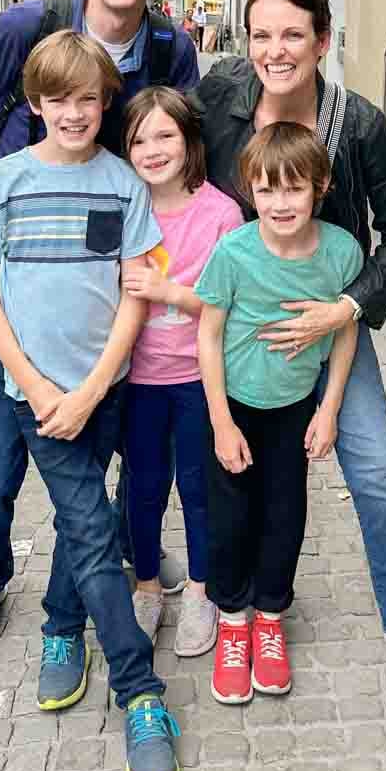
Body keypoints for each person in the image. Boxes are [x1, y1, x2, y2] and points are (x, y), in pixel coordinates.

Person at [193, 0, 386, 746]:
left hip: (332, 325)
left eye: (292, 35)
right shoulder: (221, 99)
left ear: (321, 40)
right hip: (239, 331)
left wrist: (344, 308)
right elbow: (146, 146)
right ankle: (209, 601)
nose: (276, 50)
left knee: (376, 470)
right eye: (262, 35)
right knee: (207, 465)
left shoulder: (358, 125)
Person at [0, 0, 199, 660]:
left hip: (101, 292)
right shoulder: (30, 27)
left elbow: (172, 151)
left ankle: (122, 552)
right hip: (7, 287)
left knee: (127, 456)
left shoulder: (168, 49)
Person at [0, 30, 180, 771]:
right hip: (38, 398)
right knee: (94, 528)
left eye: (88, 98)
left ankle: (62, 630)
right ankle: (141, 693)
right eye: (58, 99)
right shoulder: (4, 184)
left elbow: (135, 292)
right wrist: (34, 381)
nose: (74, 112)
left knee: (79, 519)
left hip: (104, 392)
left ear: (104, 102)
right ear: (34, 103)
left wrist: (94, 387)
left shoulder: (124, 186)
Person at [197, 123, 361, 705]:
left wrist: (330, 409)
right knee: (232, 518)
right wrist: (220, 420)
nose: (279, 203)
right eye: (266, 190)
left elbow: (344, 335)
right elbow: (208, 334)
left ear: (321, 186)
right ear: (250, 192)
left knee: (285, 516)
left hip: (296, 408)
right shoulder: (234, 252)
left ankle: (270, 615)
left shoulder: (342, 252)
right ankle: (233, 621)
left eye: (293, 189)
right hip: (236, 408)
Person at [121, 86, 243, 659]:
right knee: (143, 492)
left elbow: (233, 305)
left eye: (165, 135)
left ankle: (200, 590)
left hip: (197, 379)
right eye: (139, 139)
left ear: (189, 139)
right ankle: (148, 587)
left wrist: (170, 291)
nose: (152, 149)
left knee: (198, 491)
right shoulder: (124, 205)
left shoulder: (220, 213)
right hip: (138, 381)